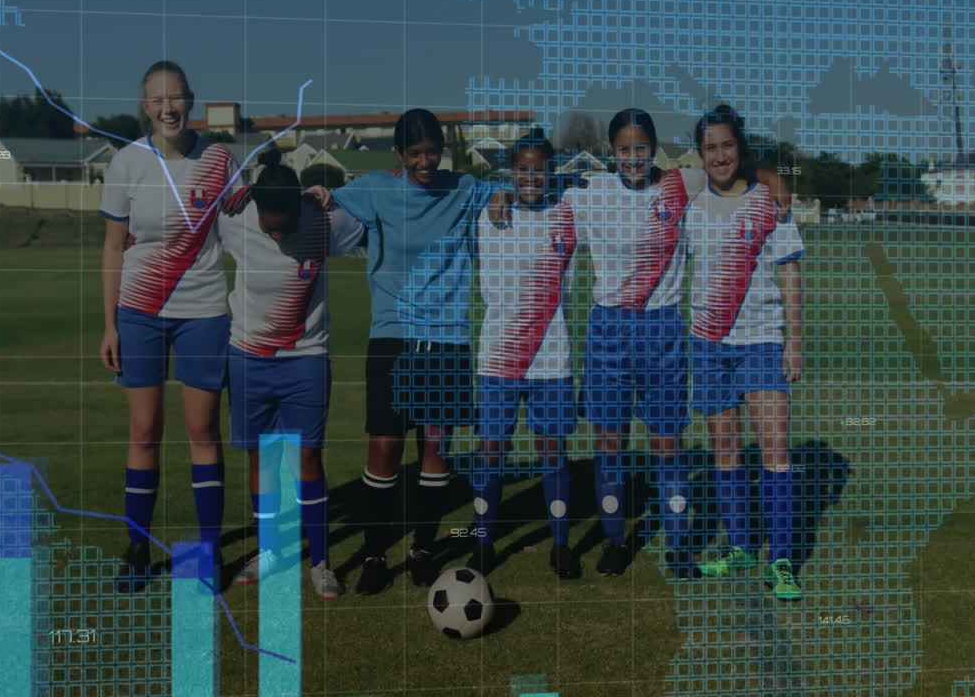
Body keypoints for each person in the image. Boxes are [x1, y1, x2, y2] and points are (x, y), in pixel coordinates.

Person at [544, 108, 791, 578]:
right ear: (611, 153)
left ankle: (678, 547)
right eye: (624, 150)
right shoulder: (589, 193)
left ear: (653, 148)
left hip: (662, 330)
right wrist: (495, 194)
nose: (633, 158)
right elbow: (527, 188)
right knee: (609, 441)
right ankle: (616, 541)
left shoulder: (682, 184)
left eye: (641, 148)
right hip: (607, 331)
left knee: (667, 442)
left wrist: (774, 178)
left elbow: (736, 165)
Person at [315, 108, 509, 595]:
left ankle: (423, 549)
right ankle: (376, 553)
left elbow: (507, 191)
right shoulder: (377, 188)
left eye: (433, 151)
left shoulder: (464, 187)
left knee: (435, 448)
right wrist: (315, 194)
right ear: (400, 155)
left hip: (446, 337)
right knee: (384, 448)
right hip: (392, 335)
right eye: (416, 153)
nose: (426, 161)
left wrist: (503, 191)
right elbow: (324, 202)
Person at [98, 59, 241, 592]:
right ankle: (137, 547)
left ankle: (208, 551)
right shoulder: (126, 163)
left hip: (204, 309)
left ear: (192, 99)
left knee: (203, 432)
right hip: (139, 313)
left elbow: (249, 226)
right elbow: (113, 248)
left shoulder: (221, 158)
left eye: (176, 97)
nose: (168, 108)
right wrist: (109, 325)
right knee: (143, 432)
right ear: (145, 107)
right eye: (157, 99)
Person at [218, 151, 365, 598]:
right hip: (247, 358)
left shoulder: (324, 223)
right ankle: (270, 551)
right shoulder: (235, 219)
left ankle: (320, 560)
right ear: (255, 208)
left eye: (285, 224)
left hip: (306, 358)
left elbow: (372, 215)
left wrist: (333, 194)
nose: (278, 232)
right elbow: (188, 221)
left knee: (307, 459)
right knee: (261, 460)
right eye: (269, 224)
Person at [684, 105, 805, 599]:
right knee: (726, 453)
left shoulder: (769, 202)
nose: (720, 156)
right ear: (700, 154)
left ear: (741, 148)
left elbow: (791, 273)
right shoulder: (691, 201)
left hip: (761, 341)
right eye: (710, 148)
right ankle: (739, 546)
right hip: (708, 345)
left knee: (775, 455)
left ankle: (781, 561)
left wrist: (794, 341)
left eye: (728, 145)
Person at [467, 128, 582, 579]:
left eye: (540, 170)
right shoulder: (487, 214)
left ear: (552, 172)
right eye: (523, 170)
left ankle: (560, 544)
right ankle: (480, 542)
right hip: (497, 358)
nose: (531, 178)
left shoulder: (572, 214)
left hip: (552, 358)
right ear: (510, 172)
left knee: (552, 451)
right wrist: (495, 194)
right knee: (491, 450)